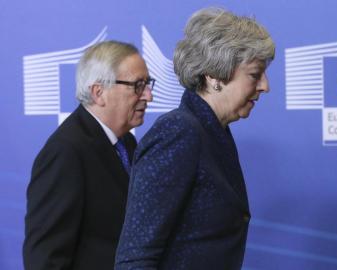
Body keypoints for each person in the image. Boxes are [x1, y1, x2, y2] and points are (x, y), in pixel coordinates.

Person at [115, 7, 275, 270]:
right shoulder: (179, 132)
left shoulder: (213, 131)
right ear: (214, 76)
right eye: (255, 75)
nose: (265, 86)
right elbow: (135, 258)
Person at [23, 40, 154, 270]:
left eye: (148, 84)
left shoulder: (126, 141)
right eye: (138, 85)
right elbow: (45, 258)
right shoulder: (65, 152)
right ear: (98, 92)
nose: (148, 96)